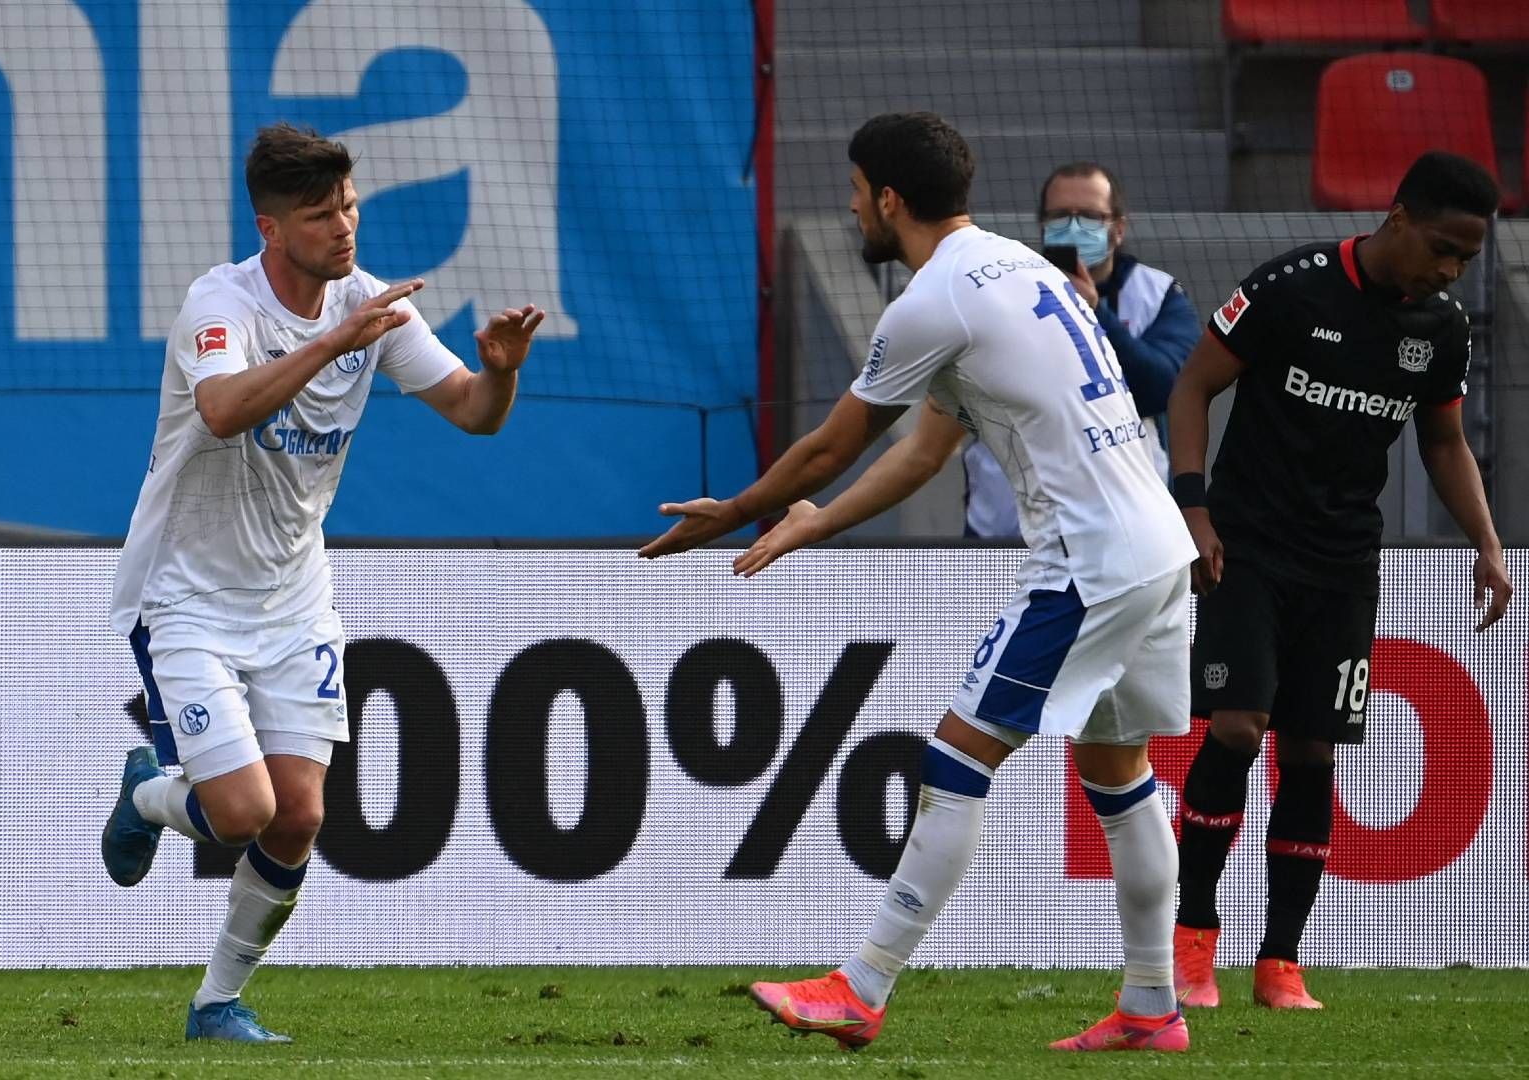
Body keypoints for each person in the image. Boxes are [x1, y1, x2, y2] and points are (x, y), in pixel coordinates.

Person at [642, 112, 1196, 1053]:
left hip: (1087, 564)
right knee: (1119, 771)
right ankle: (1152, 1005)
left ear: (889, 199)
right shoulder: (1014, 267)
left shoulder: (931, 301)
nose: (852, 205)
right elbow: (926, 451)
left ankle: (861, 989)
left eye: (857, 191)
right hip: (1157, 549)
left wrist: (740, 507)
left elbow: (831, 443)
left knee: (956, 756)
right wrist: (819, 519)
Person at [100, 123, 544, 1044]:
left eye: (348, 205)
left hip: (293, 597)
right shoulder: (217, 306)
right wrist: (337, 337)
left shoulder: (373, 306)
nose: (344, 227)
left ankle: (217, 1003)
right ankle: (149, 789)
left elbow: (473, 414)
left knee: (299, 815)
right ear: (270, 228)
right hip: (184, 592)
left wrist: (499, 375)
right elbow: (223, 410)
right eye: (320, 213)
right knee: (241, 813)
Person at [1169, 150, 1511, 1010]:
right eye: (1442, 248)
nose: (1450, 270)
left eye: (1466, 260)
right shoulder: (1292, 286)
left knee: (1313, 751)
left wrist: (1488, 541)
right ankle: (1192, 940)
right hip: (1244, 548)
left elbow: (1442, 442)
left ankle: (1280, 962)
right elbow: (1194, 385)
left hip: (1345, 564)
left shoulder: (1441, 329)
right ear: (1397, 218)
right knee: (1240, 729)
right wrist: (1193, 508)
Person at [964, 162, 1198, 537]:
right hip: (1007, 529)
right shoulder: (1000, 292)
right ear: (1042, 224)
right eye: (1060, 216)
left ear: (1118, 228)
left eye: (1089, 216)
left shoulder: (1157, 295)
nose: (1073, 227)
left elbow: (1164, 389)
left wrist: (1092, 313)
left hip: (1127, 533)